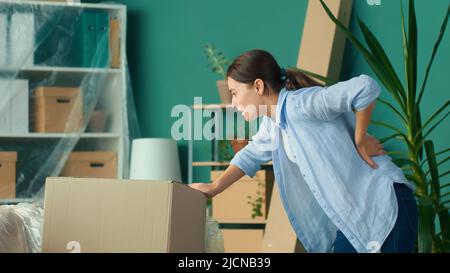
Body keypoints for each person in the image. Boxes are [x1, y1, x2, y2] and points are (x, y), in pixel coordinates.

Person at [189, 49, 418, 253]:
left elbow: (365, 87)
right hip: (356, 219)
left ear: (258, 86)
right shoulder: (273, 124)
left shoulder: (302, 104)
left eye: (235, 93)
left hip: (385, 206)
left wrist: (359, 139)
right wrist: (215, 188)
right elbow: (250, 155)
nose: (234, 103)